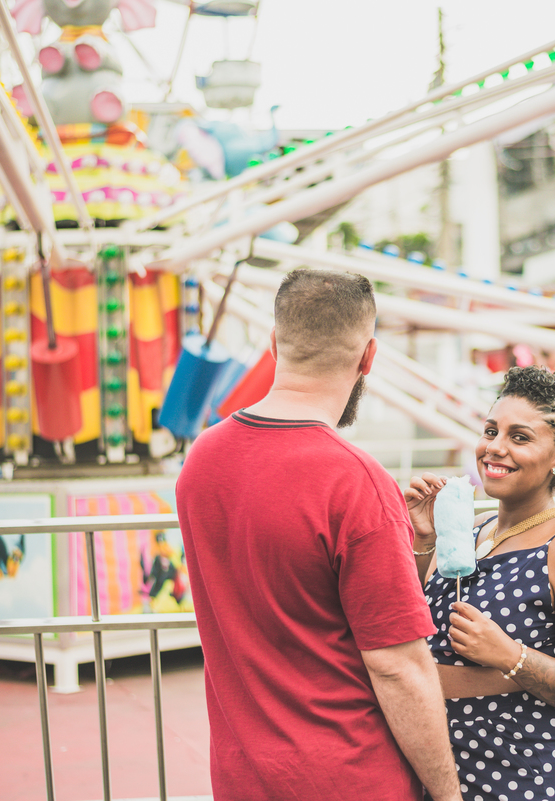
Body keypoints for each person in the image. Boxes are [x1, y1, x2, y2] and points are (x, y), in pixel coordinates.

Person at [177, 268, 462, 801]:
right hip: (350, 778)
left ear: (273, 343)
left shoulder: (203, 459)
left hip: (243, 779)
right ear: (368, 356)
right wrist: (448, 794)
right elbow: (397, 666)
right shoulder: (355, 481)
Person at [405, 366, 555, 801]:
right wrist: (423, 541)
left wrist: (510, 655)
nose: (494, 447)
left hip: (532, 780)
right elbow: (414, 627)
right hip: (448, 776)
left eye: (519, 438)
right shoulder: (472, 529)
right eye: (491, 431)